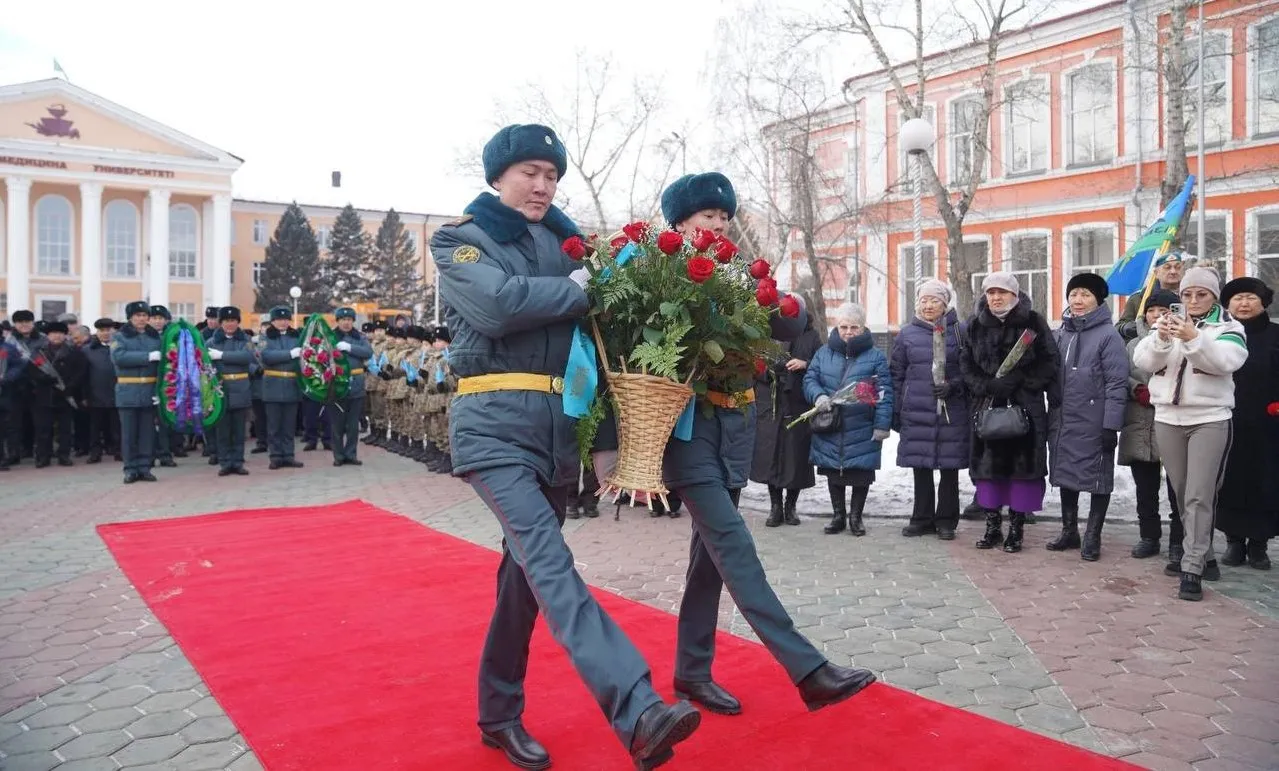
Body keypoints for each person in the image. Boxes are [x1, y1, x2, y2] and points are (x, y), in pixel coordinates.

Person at [435, 124, 700, 770]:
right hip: (492, 424)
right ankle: (635, 707)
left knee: (522, 579)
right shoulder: (460, 239)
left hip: (556, 430)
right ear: (499, 174)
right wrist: (579, 289)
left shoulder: (566, 242)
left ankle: (497, 713)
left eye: (551, 175)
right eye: (530, 171)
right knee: (550, 565)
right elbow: (497, 306)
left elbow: (598, 344)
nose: (543, 184)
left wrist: (607, 442)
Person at [646, 174, 875, 719]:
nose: (720, 225)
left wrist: (782, 295)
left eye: (725, 217)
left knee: (708, 562)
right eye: (707, 217)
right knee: (735, 546)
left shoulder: (736, 275)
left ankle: (692, 672)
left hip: (731, 431)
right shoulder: (662, 275)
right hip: (687, 432)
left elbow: (789, 321)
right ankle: (808, 670)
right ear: (679, 223)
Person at [1134, 267, 1246, 600]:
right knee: (1183, 493)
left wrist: (1193, 338)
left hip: (1209, 418)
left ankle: (1192, 565)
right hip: (1167, 418)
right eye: (1187, 294)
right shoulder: (1166, 322)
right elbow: (1143, 361)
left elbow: (1226, 361)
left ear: (1214, 296)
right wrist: (1161, 338)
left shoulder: (1227, 326)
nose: (1193, 300)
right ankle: (1206, 555)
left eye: (1202, 294)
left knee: (1200, 494)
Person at [961, 273, 1060, 553]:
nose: (995, 297)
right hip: (987, 405)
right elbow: (965, 363)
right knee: (988, 470)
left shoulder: (1033, 322)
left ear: (1014, 295)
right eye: (990, 292)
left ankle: (1016, 529)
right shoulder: (974, 325)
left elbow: (1050, 361)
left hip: (1024, 408)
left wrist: (1021, 381)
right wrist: (987, 384)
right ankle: (992, 526)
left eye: (1002, 292)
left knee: (1021, 471)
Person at [1046, 273, 1129, 560]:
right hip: (1063, 418)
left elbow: (1117, 383)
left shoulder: (1109, 336)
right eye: (1073, 294)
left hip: (1095, 420)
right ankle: (1070, 531)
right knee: (1067, 473)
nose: (1078, 300)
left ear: (1098, 300)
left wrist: (1111, 425)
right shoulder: (1061, 333)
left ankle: (1093, 535)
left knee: (1097, 477)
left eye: (1085, 295)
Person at [889, 279, 970, 540]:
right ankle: (921, 518)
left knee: (949, 469)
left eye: (934, 300)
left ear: (945, 304)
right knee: (920, 466)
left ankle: (947, 520)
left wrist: (954, 386)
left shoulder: (960, 331)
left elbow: (971, 371)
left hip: (951, 411)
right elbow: (897, 373)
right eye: (924, 300)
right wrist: (896, 409)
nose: (928, 305)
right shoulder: (906, 334)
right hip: (917, 409)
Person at [805, 302, 894, 537]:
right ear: (837, 326)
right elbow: (810, 379)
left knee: (860, 473)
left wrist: (882, 425)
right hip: (831, 423)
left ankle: (856, 517)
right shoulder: (824, 352)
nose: (848, 332)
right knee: (833, 470)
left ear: (863, 328)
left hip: (862, 425)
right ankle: (838, 515)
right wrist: (818, 395)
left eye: (854, 327)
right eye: (844, 326)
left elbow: (884, 392)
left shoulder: (875, 356)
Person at [1215, 277, 1278, 570]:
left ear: (1263, 302)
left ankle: (1259, 546)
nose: (1243, 303)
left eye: (1250, 298)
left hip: (1269, 424)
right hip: (1227, 419)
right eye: (1237, 298)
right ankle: (1234, 542)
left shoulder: (1275, 335)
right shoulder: (1222, 334)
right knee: (1230, 481)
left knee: (1264, 483)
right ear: (1228, 304)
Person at [1117, 289, 1184, 560]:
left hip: (1173, 420)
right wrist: (1136, 389)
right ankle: (1149, 536)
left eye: (1165, 310)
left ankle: (1179, 542)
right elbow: (1120, 375)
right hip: (1140, 421)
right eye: (1153, 310)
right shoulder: (1132, 344)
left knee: (1178, 487)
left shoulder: (1183, 341)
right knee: (1145, 488)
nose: (1157, 315)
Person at [750, 296, 822, 528]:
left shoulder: (811, 336)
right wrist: (769, 372)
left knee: (795, 458)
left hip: (797, 403)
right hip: (771, 404)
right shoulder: (767, 334)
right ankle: (775, 507)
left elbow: (821, 363)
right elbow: (754, 366)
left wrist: (805, 364)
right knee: (771, 455)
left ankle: (791, 506)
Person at [111, 301, 161, 484]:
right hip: (128, 390)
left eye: (144, 315)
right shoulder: (120, 336)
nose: (141, 319)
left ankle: (145, 467)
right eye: (137, 315)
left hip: (149, 390)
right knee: (129, 434)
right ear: (130, 317)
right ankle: (130, 469)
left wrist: (160, 391)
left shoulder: (155, 337)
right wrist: (147, 357)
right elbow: (119, 357)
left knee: (147, 433)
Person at [207, 306, 254, 476]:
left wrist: (222, 356)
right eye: (226, 321)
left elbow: (247, 357)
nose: (230, 324)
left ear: (238, 322)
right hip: (221, 389)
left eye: (233, 320)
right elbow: (207, 365)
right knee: (223, 430)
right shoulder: (211, 342)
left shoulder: (245, 340)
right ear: (221, 323)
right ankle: (225, 462)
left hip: (240, 387)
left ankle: (238, 461)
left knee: (239, 430)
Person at [259, 306, 304, 470]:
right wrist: (290, 354)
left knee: (289, 425)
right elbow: (266, 356)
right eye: (279, 319)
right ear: (273, 321)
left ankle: (289, 455)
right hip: (273, 385)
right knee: (274, 425)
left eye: (286, 319)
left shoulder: (296, 336)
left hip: (291, 385)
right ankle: (276, 456)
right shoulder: (266, 337)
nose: (283, 322)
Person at [328, 307, 373, 466]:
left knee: (353, 424)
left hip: (356, 383)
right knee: (337, 423)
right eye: (343, 320)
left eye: (349, 320)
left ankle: (351, 453)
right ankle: (338, 455)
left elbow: (368, 352)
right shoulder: (330, 336)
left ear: (353, 321)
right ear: (338, 321)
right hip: (337, 384)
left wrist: (349, 347)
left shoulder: (359, 337)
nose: (346, 323)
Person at [40, 321, 88, 467]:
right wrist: (43, 379)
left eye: (60, 333)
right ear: (48, 335)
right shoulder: (39, 352)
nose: (57, 336)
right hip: (44, 395)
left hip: (66, 395)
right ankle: (43, 456)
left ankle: (64, 455)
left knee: (65, 428)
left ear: (65, 335)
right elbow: (31, 370)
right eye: (53, 333)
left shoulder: (74, 352)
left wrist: (70, 387)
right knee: (43, 428)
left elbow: (81, 372)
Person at [83, 318, 120, 464]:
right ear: (96, 332)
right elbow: (83, 375)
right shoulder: (87, 350)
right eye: (102, 330)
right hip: (95, 393)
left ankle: (119, 450)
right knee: (94, 427)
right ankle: (95, 453)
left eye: (108, 330)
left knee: (117, 426)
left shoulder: (120, 347)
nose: (105, 333)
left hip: (117, 392)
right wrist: (85, 395)